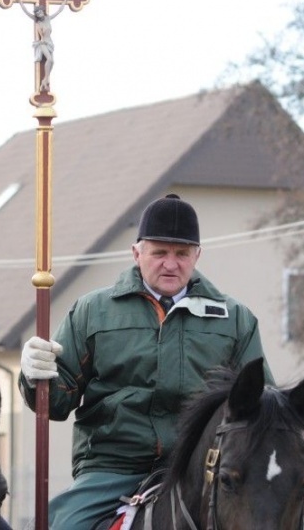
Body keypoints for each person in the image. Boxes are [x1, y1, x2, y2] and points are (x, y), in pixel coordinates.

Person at [19, 194, 274, 530]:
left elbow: (260, 403)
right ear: (137, 253)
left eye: (182, 254)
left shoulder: (235, 320)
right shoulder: (92, 311)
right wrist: (34, 375)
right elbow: (56, 403)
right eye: (159, 253)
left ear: (197, 255)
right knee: (60, 526)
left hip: (200, 471)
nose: (171, 264)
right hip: (110, 466)